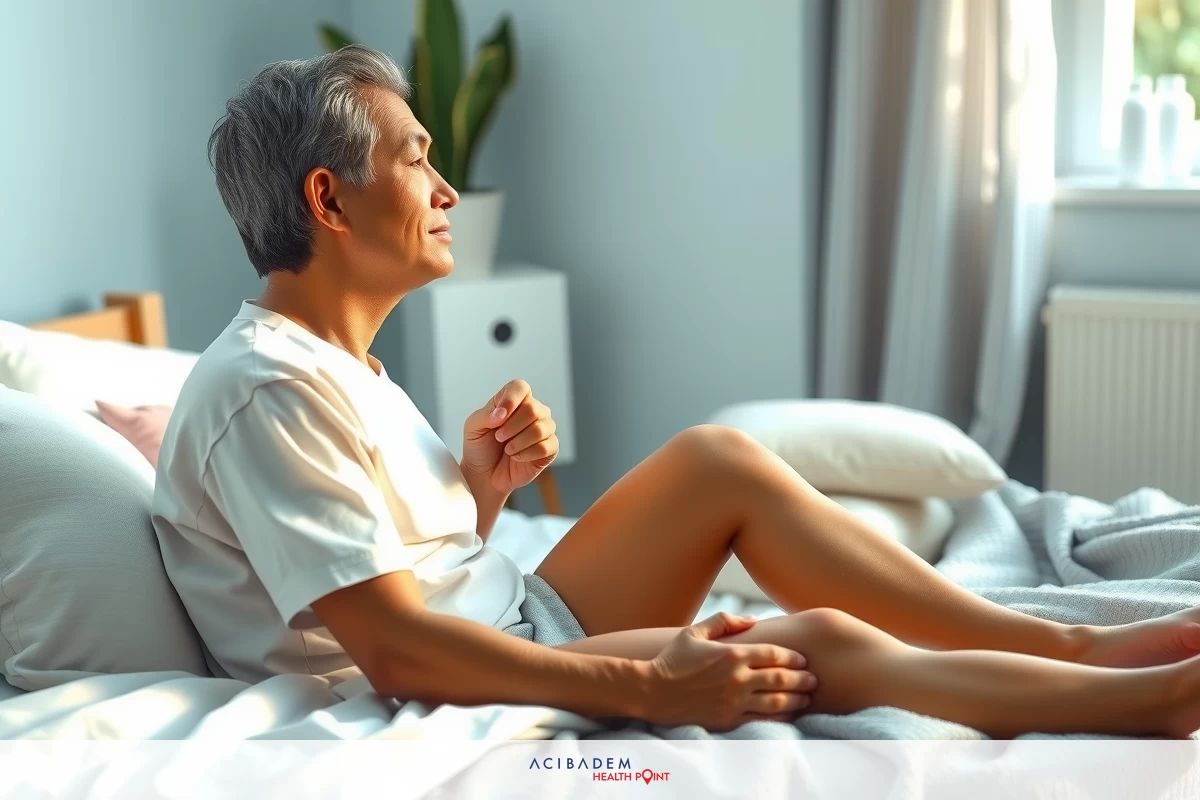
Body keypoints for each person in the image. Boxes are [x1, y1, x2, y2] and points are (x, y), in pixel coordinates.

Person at [153, 45, 1200, 739]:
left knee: (718, 460)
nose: (446, 189)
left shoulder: (336, 370)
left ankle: (1064, 642)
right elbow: (394, 647)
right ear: (330, 200)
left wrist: (480, 490)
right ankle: (1139, 705)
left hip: (514, 622)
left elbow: (415, 574)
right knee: (816, 641)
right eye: (417, 160)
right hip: (444, 691)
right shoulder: (264, 390)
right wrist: (649, 683)